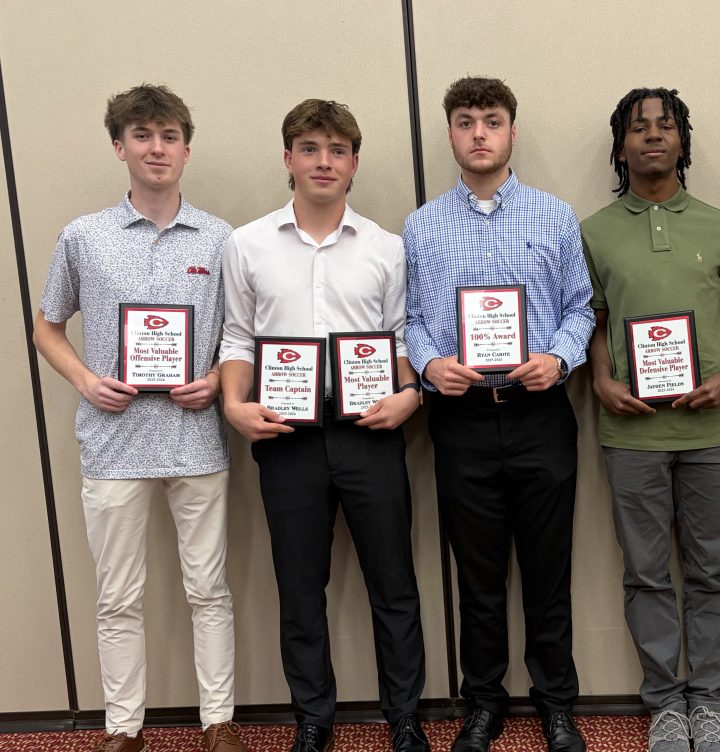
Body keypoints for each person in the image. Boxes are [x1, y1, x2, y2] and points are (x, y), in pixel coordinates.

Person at [32, 84, 244, 752]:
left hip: (196, 443)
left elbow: (242, 335)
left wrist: (213, 380)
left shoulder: (219, 239)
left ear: (187, 147)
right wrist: (86, 380)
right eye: (143, 135)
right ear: (119, 145)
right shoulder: (83, 237)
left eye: (171, 135)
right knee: (117, 597)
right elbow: (46, 326)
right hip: (113, 444)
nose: (158, 148)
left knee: (208, 589)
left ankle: (219, 723)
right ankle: (123, 729)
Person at [219, 99, 426, 752]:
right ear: (288, 159)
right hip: (286, 437)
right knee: (300, 587)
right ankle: (313, 718)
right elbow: (236, 337)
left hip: (371, 430)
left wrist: (411, 396)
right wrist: (233, 405)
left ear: (354, 164)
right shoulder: (245, 244)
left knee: (393, 583)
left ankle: (404, 716)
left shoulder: (386, 248)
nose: (324, 161)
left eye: (337, 150)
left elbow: (399, 338)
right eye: (310, 148)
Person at [403, 76, 594, 752]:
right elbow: (414, 320)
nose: (478, 133)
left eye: (491, 120)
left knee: (549, 571)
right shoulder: (421, 226)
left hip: (540, 412)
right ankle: (482, 704)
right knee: (478, 576)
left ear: (512, 131)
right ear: (450, 133)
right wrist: (428, 364)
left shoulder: (555, 216)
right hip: (461, 422)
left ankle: (556, 703)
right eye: (464, 121)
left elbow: (581, 307)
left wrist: (562, 358)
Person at [580, 87, 720, 752]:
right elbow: (591, 323)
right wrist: (599, 379)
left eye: (666, 125)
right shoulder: (592, 231)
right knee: (645, 572)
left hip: (716, 432)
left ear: (683, 140)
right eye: (638, 128)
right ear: (620, 146)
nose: (653, 136)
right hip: (632, 435)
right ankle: (664, 707)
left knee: (712, 572)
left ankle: (708, 704)